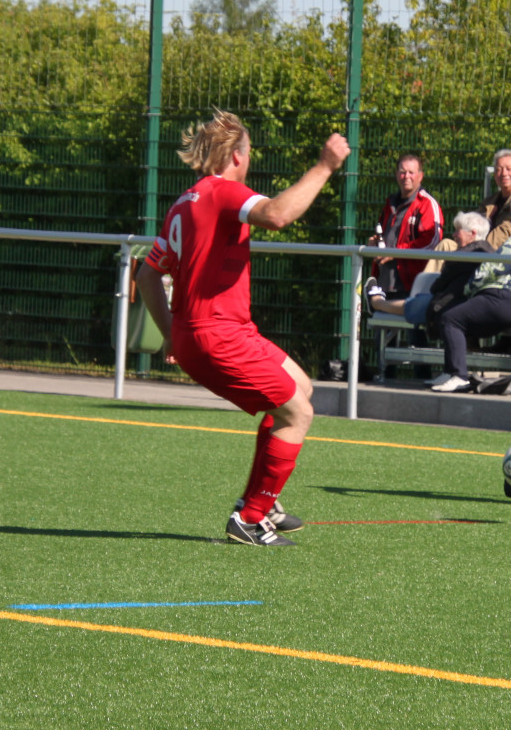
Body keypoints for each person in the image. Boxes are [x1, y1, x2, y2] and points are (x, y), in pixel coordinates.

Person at [135, 109, 350, 546]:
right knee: (298, 414)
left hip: (218, 331)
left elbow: (146, 274)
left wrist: (173, 332)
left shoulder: (185, 200)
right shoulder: (223, 192)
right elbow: (276, 215)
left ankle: (262, 502)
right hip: (218, 335)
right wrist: (325, 166)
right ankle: (250, 518)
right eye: (249, 155)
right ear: (237, 155)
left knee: (301, 389)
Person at [429, 193, 511, 392]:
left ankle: (457, 375)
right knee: (460, 318)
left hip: (508, 299)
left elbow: (488, 271)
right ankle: (451, 371)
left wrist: (468, 290)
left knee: (450, 318)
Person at [363, 211, 492, 327]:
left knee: (417, 304)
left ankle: (377, 303)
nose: (454, 234)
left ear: (472, 234)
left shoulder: (460, 258)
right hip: (474, 305)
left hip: (452, 305)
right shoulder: (492, 254)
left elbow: (437, 286)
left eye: (458, 230)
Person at [368, 154, 444, 296]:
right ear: (397, 175)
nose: (406, 176)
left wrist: (396, 253)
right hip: (383, 283)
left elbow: (432, 243)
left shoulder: (427, 204)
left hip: (412, 286)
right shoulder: (389, 204)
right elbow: (384, 237)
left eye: (411, 172)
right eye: (402, 172)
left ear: (420, 176)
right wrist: (374, 243)